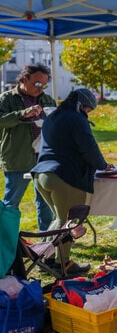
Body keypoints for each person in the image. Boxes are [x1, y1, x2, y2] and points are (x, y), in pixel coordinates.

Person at [31, 88, 113, 274]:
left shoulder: (52, 118)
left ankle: (44, 258)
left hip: (41, 175)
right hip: (64, 176)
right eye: (88, 110)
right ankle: (63, 263)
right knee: (70, 221)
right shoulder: (77, 119)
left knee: (59, 219)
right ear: (81, 106)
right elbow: (88, 147)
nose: (88, 113)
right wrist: (103, 165)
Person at [0, 64, 56, 232]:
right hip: (17, 157)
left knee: (46, 201)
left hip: (44, 158)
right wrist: (22, 114)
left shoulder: (47, 100)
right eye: (37, 84)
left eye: (44, 85)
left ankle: (46, 239)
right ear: (24, 79)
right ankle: (7, 240)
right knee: (11, 203)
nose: (41, 89)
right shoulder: (7, 98)